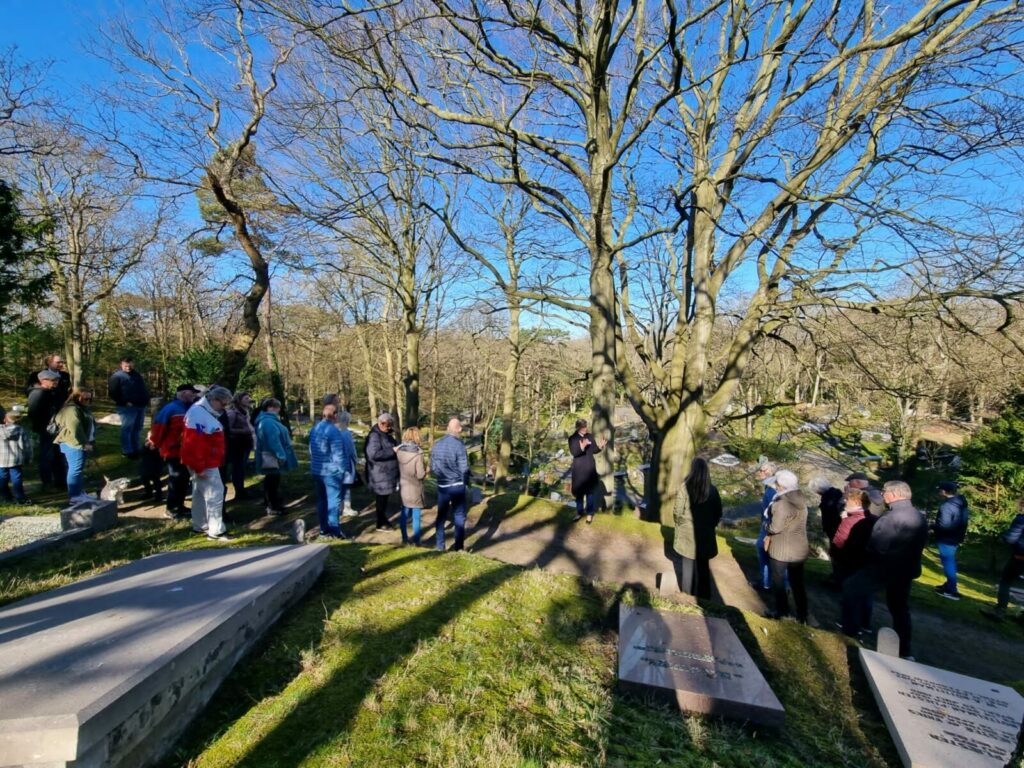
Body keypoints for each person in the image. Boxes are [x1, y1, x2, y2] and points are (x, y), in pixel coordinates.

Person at [841, 480, 928, 659]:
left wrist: (867, 563)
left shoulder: (890, 518)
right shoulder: (919, 517)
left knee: (851, 589)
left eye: (884, 492)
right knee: (899, 608)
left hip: (884, 568)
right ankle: (905, 649)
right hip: (906, 570)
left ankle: (850, 633)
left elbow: (876, 546)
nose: (882, 495)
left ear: (894, 494)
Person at [180, 385, 233, 540]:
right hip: (204, 462)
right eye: (222, 404)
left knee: (199, 493)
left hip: (204, 460)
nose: (223, 408)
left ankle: (200, 525)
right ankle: (216, 530)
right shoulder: (198, 413)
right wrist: (199, 466)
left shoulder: (201, 411)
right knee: (214, 494)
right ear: (214, 399)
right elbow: (195, 442)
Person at [764, 470, 810, 623]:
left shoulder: (782, 503)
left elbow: (775, 528)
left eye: (777, 484)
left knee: (778, 580)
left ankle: (781, 611)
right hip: (799, 547)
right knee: (798, 582)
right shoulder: (801, 499)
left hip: (782, 549)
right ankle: (802, 613)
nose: (775, 487)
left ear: (782, 486)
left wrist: (766, 526)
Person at [673, 457, 722, 599]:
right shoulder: (712, 490)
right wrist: (710, 525)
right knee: (703, 567)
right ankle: (705, 598)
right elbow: (718, 512)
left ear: (692, 470)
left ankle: (687, 596)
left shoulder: (684, 487)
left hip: (687, 532)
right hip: (705, 534)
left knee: (688, 565)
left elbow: (677, 511)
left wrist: (680, 523)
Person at [149, 384, 200, 519]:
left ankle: (180, 506)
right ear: (183, 393)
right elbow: (159, 428)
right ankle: (171, 509)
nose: (194, 395)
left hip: (186, 451)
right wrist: (155, 443)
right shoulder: (171, 408)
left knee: (183, 479)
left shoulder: (189, 408)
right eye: (192, 393)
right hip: (172, 451)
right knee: (176, 478)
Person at [831, 486, 876, 633]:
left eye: (847, 500)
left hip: (849, 561)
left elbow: (839, 541)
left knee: (850, 593)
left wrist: (836, 556)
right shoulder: (872, 519)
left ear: (856, 502)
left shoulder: (850, 520)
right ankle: (865, 623)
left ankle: (849, 625)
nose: (845, 502)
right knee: (866, 594)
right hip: (867, 562)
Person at [308, 404, 347, 539]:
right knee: (333, 502)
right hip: (331, 472)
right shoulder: (333, 431)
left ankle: (324, 530)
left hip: (317, 470)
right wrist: (342, 470)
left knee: (321, 501)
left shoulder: (315, 428)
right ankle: (335, 531)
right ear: (335, 415)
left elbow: (311, 450)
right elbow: (338, 454)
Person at [981, 500, 1024, 622]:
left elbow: (1011, 538)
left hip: (1020, 557)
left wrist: (1004, 538)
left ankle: (1000, 611)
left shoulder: (1021, 519)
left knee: (1006, 581)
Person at [255, 398, 298, 516]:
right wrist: (280, 454)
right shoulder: (268, 422)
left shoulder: (269, 420)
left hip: (272, 455)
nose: (279, 410)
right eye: (277, 407)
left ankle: (272, 503)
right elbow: (273, 440)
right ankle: (272, 506)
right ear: (271, 408)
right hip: (272, 456)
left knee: (272, 480)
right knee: (272, 481)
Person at [432, 417, 470, 551]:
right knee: (459, 516)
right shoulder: (459, 445)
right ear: (458, 429)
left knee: (441, 516)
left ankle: (440, 546)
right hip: (457, 485)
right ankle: (458, 548)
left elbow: (434, 467)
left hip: (442, 486)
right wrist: (464, 481)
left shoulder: (437, 444)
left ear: (448, 428)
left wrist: (441, 477)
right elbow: (464, 468)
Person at [53, 387, 96, 499]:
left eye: (89, 398)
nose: (87, 400)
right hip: (74, 443)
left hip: (81, 443)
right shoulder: (71, 410)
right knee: (75, 470)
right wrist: (84, 443)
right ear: (76, 397)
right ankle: (74, 497)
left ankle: (80, 494)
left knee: (78, 470)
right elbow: (75, 427)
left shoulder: (82, 408)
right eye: (85, 398)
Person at [26, 369, 65, 489]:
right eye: (54, 380)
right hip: (46, 429)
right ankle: (47, 481)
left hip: (57, 428)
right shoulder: (37, 393)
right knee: (47, 456)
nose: (56, 382)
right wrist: (47, 422)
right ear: (44, 381)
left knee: (59, 455)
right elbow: (33, 413)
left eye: (57, 380)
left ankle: (60, 481)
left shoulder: (54, 392)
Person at [108, 356, 150, 459]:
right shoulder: (117, 376)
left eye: (130, 364)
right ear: (121, 365)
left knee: (137, 429)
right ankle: (127, 451)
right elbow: (113, 393)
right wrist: (124, 402)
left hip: (140, 406)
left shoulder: (137, 375)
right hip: (127, 408)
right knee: (127, 429)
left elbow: (142, 388)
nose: (128, 367)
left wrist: (145, 400)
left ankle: (136, 449)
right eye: (126, 365)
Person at [933, 479, 968, 600]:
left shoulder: (947, 506)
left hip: (947, 538)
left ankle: (952, 590)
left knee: (948, 563)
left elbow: (944, 525)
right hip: (956, 537)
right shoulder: (961, 503)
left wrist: (932, 526)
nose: (938, 492)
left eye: (939, 490)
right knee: (950, 561)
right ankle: (948, 585)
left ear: (943, 491)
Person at [365, 412, 400, 531]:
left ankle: (383, 520)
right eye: (387, 425)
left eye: (390, 425)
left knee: (384, 499)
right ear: (381, 423)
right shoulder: (374, 436)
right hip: (379, 473)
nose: (389, 427)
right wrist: (393, 451)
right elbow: (373, 454)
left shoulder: (386, 434)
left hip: (386, 473)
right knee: (381, 499)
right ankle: (381, 522)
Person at [568, 419, 605, 523]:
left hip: (589, 468)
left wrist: (600, 447)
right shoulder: (572, 438)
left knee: (590, 493)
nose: (586, 428)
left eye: (586, 426)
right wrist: (582, 447)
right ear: (578, 428)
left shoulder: (589, 436)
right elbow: (574, 453)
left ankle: (589, 514)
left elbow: (594, 450)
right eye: (583, 427)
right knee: (579, 493)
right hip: (579, 469)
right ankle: (579, 512)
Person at [397, 426, 428, 545]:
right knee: (416, 516)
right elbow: (420, 475)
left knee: (404, 514)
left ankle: (404, 539)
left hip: (404, 486)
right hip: (415, 487)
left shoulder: (399, 451)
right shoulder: (418, 453)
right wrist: (426, 471)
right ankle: (417, 541)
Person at [751, 461, 778, 591]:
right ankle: (766, 582)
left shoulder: (772, 490)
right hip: (769, 525)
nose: (759, 472)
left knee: (764, 552)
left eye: (761, 470)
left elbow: (774, 510)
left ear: (769, 473)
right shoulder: (770, 487)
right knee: (765, 553)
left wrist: (768, 527)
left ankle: (766, 583)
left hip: (769, 527)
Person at [225, 392, 256, 500]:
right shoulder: (233, 413)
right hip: (237, 445)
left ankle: (241, 490)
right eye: (246, 398)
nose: (249, 399)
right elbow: (227, 428)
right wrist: (243, 430)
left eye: (249, 397)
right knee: (238, 468)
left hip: (245, 444)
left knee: (241, 468)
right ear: (239, 400)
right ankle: (239, 491)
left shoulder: (245, 412)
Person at [0, 405, 32, 504]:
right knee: (16, 478)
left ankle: (5, 496)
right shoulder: (21, 430)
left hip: (1, 459)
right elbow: (26, 445)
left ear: (5, 419)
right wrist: (28, 457)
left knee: (2, 478)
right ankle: (20, 497)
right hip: (16, 458)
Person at [336, 410, 358, 517]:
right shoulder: (346, 433)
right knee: (347, 486)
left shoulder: (333, 431)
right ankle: (347, 508)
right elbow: (351, 450)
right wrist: (356, 460)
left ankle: (339, 507)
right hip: (346, 463)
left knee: (338, 487)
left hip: (334, 463)